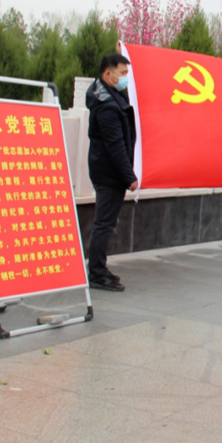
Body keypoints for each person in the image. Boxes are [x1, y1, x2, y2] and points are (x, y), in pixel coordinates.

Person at [86, 50, 138, 292]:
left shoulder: (108, 93)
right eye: (123, 73)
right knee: (104, 224)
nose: (126, 78)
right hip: (109, 173)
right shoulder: (106, 105)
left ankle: (99, 268)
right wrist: (129, 176)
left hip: (108, 170)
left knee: (105, 222)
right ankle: (96, 273)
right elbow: (114, 145)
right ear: (109, 75)